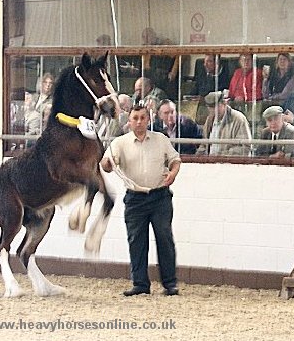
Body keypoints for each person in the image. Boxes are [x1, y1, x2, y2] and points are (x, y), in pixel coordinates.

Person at [100, 103, 181, 297]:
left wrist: (173, 174)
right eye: (135, 118)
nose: (139, 122)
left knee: (165, 238)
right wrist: (107, 163)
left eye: (142, 118)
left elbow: (175, 160)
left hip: (160, 196)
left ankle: (170, 283)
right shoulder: (119, 143)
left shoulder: (161, 139)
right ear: (129, 121)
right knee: (136, 241)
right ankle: (140, 284)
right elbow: (107, 165)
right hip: (135, 199)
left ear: (148, 119)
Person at [197, 91, 252, 156]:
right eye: (210, 107)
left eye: (216, 107)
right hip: (211, 163)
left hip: (231, 164)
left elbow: (244, 147)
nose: (213, 110)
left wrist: (221, 156)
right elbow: (204, 144)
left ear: (224, 103)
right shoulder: (209, 119)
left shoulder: (238, 119)